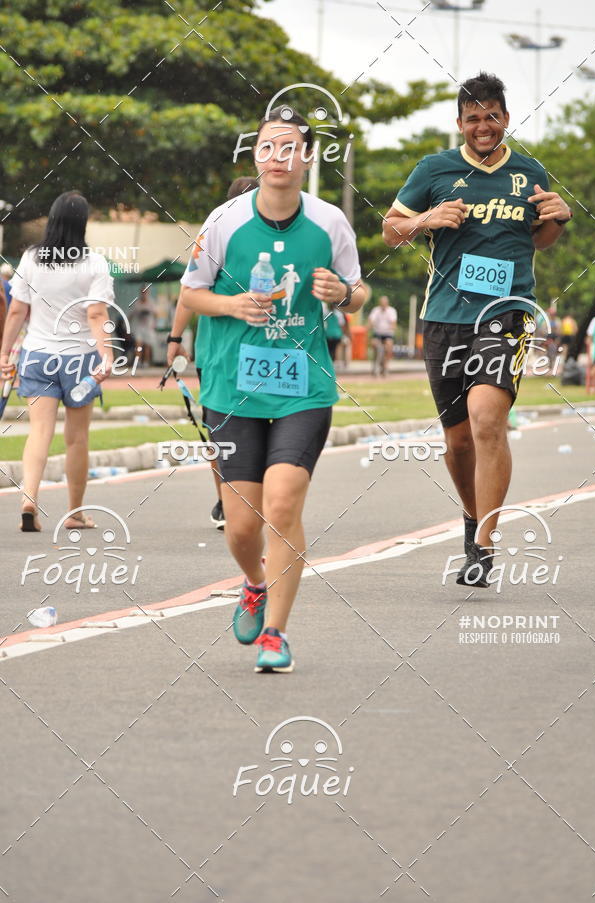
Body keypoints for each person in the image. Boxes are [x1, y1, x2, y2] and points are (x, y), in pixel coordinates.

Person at [180, 106, 366, 672]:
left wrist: (339, 293)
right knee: (241, 527)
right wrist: (232, 304)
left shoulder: (331, 222)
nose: (279, 156)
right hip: (232, 386)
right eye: (268, 146)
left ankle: (276, 636)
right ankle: (254, 582)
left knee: (282, 505)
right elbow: (191, 294)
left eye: (290, 147)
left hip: (302, 386)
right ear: (255, 155)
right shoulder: (225, 222)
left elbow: (356, 293)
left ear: (307, 158)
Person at [382, 71, 572, 587]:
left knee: (488, 420)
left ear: (506, 118)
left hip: (508, 314)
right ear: (460, 123)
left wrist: (559, 215)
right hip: (444, 317)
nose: (483, 126)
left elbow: (542, 239)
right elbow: (390, 231)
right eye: (473, 118)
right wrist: (427, 219)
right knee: (459, 441)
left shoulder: (529, 171)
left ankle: (484, 544)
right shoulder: (434, 170)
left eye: (492, 116)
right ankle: (472, 517)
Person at [0, 191, 114, 531]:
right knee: (76, 439)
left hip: (37, 355)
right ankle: (75, 513)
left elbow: (18, 309)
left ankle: (29, 499)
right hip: (79, 359)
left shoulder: (32, 259)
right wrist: (106, 355)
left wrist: (5, 354)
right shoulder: (93, 263)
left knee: (39, 432)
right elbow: (96, 314)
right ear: (83, 223)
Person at [168, 177, 260, 531]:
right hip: (233, 352)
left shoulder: (219, 235)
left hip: (220, 354)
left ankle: (228, 499)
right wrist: (176, 337)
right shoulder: (228, 236)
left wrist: (175, 338)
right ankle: (232, 498)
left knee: (219, 430)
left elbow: (187, 291)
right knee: (229, 428)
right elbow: (189, 290)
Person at [368, 295, 397, 376]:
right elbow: (371, 320)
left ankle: (385, 365)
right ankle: (375, 362)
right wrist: (370, 325)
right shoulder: (376, 310)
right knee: (374, 344)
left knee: (388, 345)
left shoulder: (391, 311)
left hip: (388, 334)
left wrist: (390, 327)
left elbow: (393, 323)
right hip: (377, 333)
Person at [130, 287, 155, 366]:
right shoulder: (137, 303)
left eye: (145, 292)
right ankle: (138, 362)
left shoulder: (151, 302)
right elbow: (131, 315)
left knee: (147, 345)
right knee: (138, 344)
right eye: (142, 292)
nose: (144, 294)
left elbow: (156, 314)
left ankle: (145, 362)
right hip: (139, 327)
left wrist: (154, 324)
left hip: (148, 327)